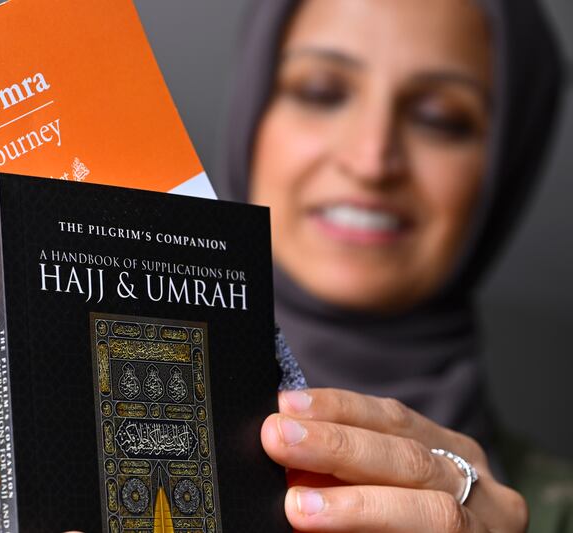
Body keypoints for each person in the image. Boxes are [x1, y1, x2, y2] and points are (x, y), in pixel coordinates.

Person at [215, 0, 569, 531]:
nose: (372, 160)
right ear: (251, 113)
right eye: (321, 92)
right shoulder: (63, 448)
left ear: (505, 168)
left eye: (440, 120)